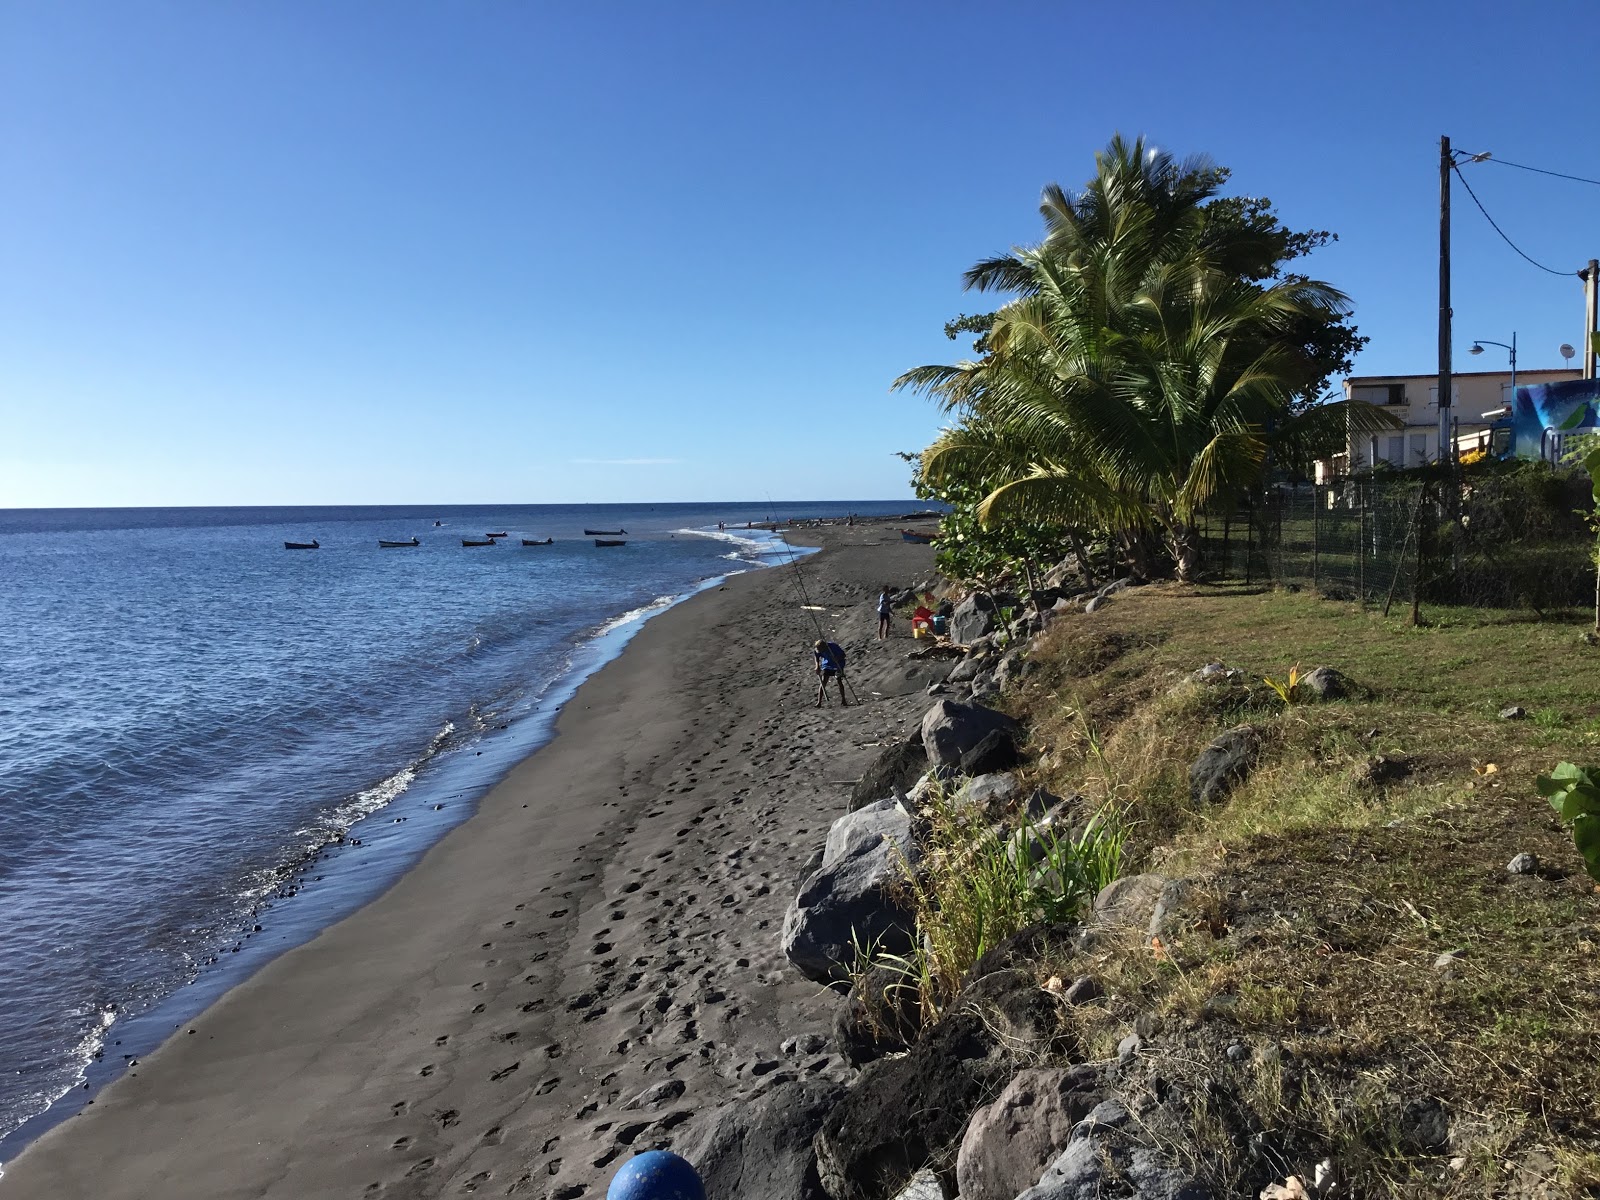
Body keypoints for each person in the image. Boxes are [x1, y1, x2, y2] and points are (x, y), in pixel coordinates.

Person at [813, 638, 848, 707]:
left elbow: (843, 655)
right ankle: (819, 702)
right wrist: (817, 666)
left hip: (838, 664)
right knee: (823, 681)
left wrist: (837, 658)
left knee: (839, 681)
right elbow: (816, 657)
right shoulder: (818, 649)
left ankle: (843, 700)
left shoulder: (833, 646)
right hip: (827, 665)